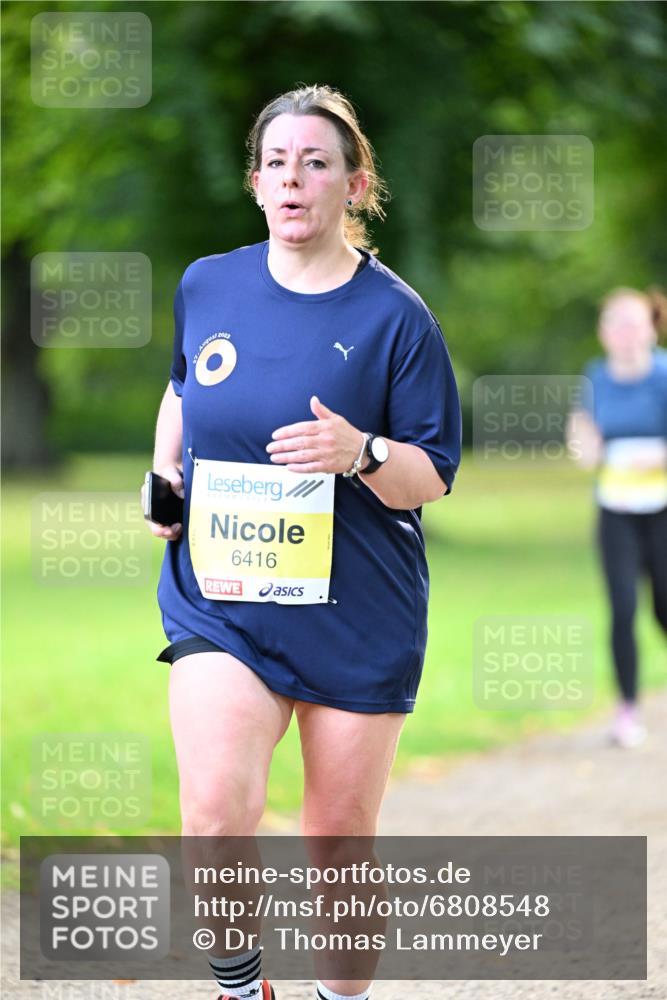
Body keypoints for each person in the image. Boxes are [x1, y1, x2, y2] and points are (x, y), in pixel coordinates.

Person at [143, 83, 461, 1000]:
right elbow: (180, 390)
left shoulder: (396, 318)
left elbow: (430, 475)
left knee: (338, 842)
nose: (294, 180)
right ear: (254, 183)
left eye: (315, 163)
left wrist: (358, 452)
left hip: (356, 609)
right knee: (213, 813)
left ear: (353, 185)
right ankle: (244, 990)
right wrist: (164, 474)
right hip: (223, 597)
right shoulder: (209, 283)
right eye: (277, 163)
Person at [567, 287, 667, 748]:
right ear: (603, 333)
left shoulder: (664, 374)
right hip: (616, 511)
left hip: (663, 510)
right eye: (615, 324)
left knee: (663, 607)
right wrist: (584, 444)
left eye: (633, 323)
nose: (625, 333)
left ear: (652, 327)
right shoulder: (595, 377)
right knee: (623, 608)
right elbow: (583, 437)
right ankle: (627, 711)